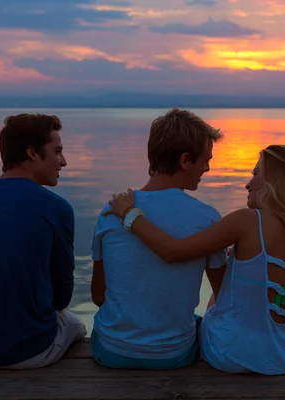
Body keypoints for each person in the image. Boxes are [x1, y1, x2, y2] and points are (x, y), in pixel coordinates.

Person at [103, 144, 285, 375]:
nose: (248, 183)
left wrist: (129, 214)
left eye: (256, 174)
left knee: (211, 305)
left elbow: (172, 251)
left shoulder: (247, 221)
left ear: (276, 181)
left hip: (232, 353)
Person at [0, 113, 86, 369]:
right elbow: (61, 298)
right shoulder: (55, 208)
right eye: (57, 151)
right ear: (32, 153)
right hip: (31, 352)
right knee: (76, 324)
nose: (63, 162)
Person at [90, 108, 228, 370]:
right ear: (185, 160)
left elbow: (99, 296)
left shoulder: (110, 213)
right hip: (174, 354)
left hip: (111, 351)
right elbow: (223, 295)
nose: (208, 168)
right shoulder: (208, 218)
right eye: (205, 160)